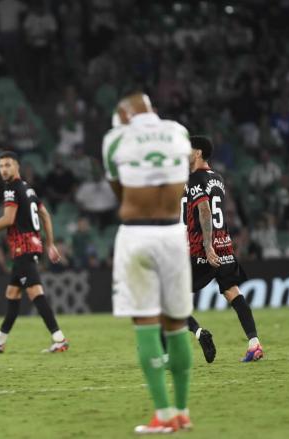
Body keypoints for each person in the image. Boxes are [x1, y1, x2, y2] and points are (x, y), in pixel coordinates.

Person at [104, 93, 194, 433]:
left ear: (125, 116)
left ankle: (164, 413)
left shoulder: (115, 140)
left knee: (145, 323)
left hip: (137, 234)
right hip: (174, 232)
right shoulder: (178, 132)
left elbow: (119, 189)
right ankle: (183, 411)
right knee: (177, 323)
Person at [0, 151, 69, 354]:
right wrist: (50, 243)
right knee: (12, 292)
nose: (3, 169)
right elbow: (45, 214)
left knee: (35, 292)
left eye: (8, 165)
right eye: (1, 166)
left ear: (17, 166)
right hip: (30, 246)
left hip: (23, 248)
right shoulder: (28, 189)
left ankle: (59, 339)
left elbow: (9, 219)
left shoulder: (11, 189)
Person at [181, 136, 264, 363]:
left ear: (197, 153)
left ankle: (198, 333)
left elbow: (205, 211)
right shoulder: (217, 178)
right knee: (233, 293)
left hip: (203, 250)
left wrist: (207, 247)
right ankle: (254, 343)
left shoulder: (195, 178)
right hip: (224, 246)